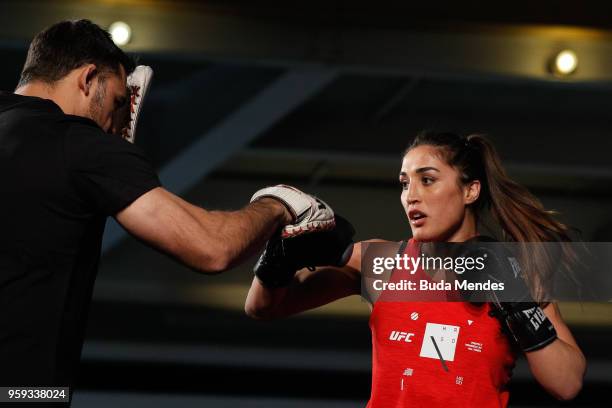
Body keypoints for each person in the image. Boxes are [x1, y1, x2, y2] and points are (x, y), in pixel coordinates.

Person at [0, 18, 338, 398]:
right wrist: (279, 203)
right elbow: (212, 247)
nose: (114, 125)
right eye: (116, 102)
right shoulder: (81, 146)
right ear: (88, 78)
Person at [245, 131, 586, 406]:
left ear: (470, 190)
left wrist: (517, 301)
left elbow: (567, 384)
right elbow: (263, 307)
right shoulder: (381, 262)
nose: (411, 196)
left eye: (427, 180)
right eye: (405, 183)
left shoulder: (517, 274)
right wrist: (281, 254)